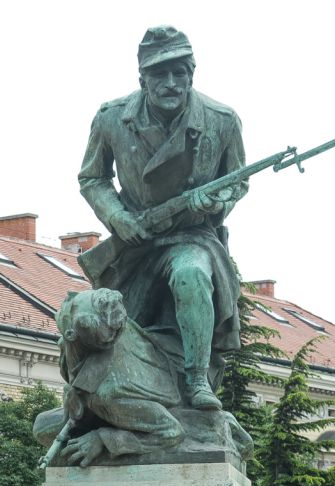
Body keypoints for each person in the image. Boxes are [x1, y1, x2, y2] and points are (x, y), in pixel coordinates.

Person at [77, 25, 247, 412]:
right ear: (143, 79)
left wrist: (215, 203)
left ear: (191, 74)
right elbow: (92, 177)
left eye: (179, 73)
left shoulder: (222, 120)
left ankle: (196, 378)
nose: (171, 83)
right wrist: (119, 218)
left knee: (192, 275)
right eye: (159, 74)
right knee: (109, 327)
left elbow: (238, 181)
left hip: (192, 235)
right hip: (135, 240)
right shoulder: (112, 118)